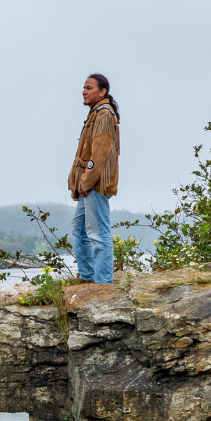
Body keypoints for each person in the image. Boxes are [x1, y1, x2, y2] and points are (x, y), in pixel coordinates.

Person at [68, 73, 120, 283]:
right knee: (79, 228)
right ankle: (88, 276)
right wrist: (77, 184)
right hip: (87, 184)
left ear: (102, 91)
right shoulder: (95, 114)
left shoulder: (104, 114)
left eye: (89, 88)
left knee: (98, 234)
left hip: (96, 184)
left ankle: (103, 282)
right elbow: (85, 154)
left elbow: (99, 154)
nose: (84, 91)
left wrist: (86, 183)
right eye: (84, 87)